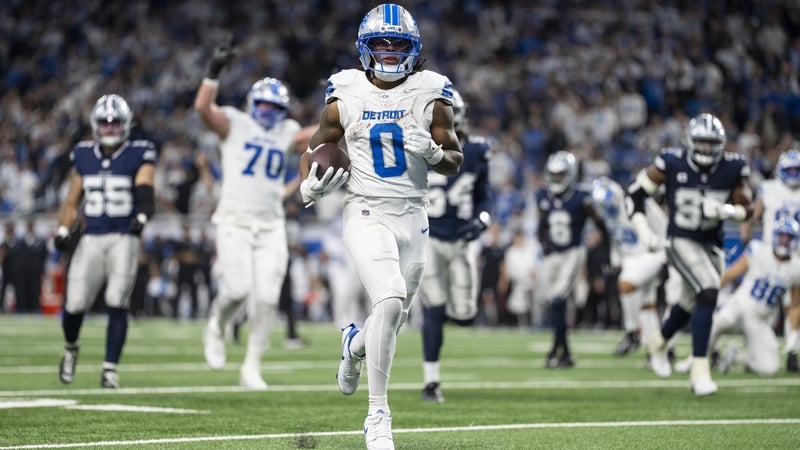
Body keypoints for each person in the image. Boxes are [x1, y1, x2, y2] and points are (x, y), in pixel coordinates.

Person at [299, 4, 463, 449]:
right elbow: (317, 148)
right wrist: (307, 189)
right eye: (380, 44)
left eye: (398, 45)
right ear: (364, 48)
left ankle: (353, 346)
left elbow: (454, 159)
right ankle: (378, 416)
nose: (390, 53)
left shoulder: (432, 90)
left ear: (414, 49)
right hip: (366, 209)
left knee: (393, 319)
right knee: (389, 298)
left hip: (414, 213)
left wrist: (432, 153)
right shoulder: (346, 89)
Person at [194, 38, 307, 389]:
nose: (268, 112)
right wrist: (213, 72)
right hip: (234, 220)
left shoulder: (287, 133)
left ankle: (251, 367)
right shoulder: (235, 123)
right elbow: (202, 109)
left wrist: (346, 104)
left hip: (271, 224)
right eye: (263, 104)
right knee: (238, 290)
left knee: (268, 298)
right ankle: (216, 323)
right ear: (251, 103)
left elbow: (321, 133)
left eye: (275, 107)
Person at [626, 113, 752, 396]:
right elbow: (633, 195)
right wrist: (644, 232)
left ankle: (658, 343)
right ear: (690, 142)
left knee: (688, 303)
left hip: (711, 243)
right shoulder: (671, 162)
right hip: (680, 239)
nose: (706, 149)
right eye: (701, 143)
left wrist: (726, 211)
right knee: (708, 291)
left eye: (711, 144)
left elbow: (749, 209)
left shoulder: (733, 167)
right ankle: (699, 372)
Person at [54, 94, 157, 388]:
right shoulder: (83, 154)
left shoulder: (139, 152)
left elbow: (146, 191)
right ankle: (71, 347)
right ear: (95, 125)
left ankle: (110, 369)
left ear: (126, 125)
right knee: (73, 304)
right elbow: (72, 200)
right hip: (91, 237)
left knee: (116, 301)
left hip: (124, 237)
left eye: (115, 123)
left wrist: (141, 216)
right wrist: (63, 229)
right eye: (105, 123)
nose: (110, 129)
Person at [417, 88, 491, 403]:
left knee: (465, 313)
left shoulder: (476, 150)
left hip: (462, 239)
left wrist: (482, 218)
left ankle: (444, 311)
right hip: (431, 237)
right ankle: (431, 381)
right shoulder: (420, 144)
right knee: (434, 310)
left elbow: (484, 194)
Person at [674, 217, 800, 376]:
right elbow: (731, 274)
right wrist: (708, 290)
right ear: (775, 236)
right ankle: (695, 359)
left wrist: (793, 338)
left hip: (760, 319)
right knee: (720, 321)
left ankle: (737, 357)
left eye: (789, 237)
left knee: (769, 368)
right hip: (740, 305)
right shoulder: (759, 250)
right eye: (782, 236)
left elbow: (795, 304)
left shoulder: (796, 267)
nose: (784, 240)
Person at [535, 150, 607, 368]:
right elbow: (541, 227)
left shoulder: (581, 197)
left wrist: (604, 248)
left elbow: (601, 224)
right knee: (552, 301)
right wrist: (544, 246)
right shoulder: (542, 196)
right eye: (553, 175)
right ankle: (563, 351)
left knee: (558, 299)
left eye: (560, 175)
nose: (556, 179)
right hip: (552, 254)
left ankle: (557, 351)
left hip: (572, 252)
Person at [590, 177, 667, 357]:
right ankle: (659, 349)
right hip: (631, 259)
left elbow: (663, 227)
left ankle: (632, 332)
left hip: (651, 254)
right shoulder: (609, 212)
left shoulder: (637, 202)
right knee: (647, 305)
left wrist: (664, 253)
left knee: (626, 283)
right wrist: (616, 261)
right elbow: (617, 240)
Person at [739, 148, 800, 371]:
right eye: (790, 169)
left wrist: (746, 231)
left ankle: (792, 349)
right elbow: (753, 214)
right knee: (758, 305)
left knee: (794, 305)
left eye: (797, 169)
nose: (794, 173)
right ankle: (754, 351)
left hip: (796, 256)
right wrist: (746, 233)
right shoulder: (769, 189)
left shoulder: (769, 188)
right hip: (768, 253)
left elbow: (752, 216)